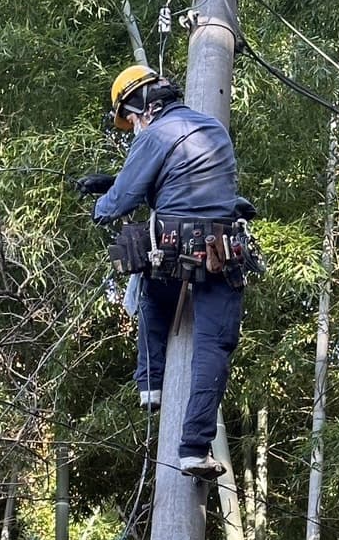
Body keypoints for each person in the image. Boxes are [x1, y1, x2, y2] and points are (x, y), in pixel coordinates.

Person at [77, 65, 243, 481]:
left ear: (142, 107)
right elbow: (186, 180)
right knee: (214, 346)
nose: (132, 125)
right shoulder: (214, 130)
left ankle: (150, 383)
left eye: (130, 118)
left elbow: (119, 204)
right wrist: (112, 181)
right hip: (221, 253)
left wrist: (100, 202)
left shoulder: (153, 135)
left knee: (151, 294)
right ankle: (194, 450)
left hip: (170, 252)